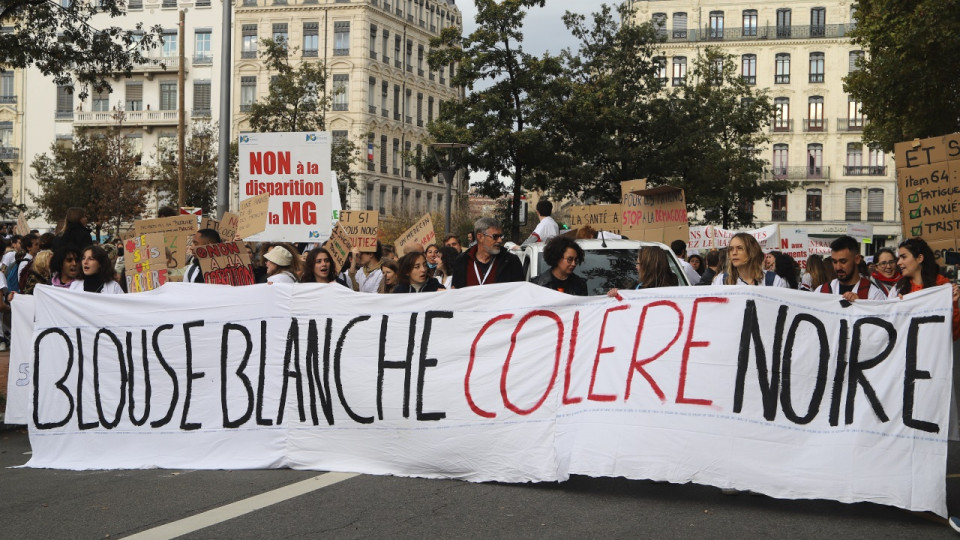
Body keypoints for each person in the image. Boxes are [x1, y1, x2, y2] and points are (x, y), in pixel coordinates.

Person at [889, 239, 960, 337]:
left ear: (919, 258)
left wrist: (952, 305)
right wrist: (898, 309)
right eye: (899, 258)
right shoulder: (897, 289)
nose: (898, 262)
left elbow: (954, 334)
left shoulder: (943, 286)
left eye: (903, 257)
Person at [452, 217, 523, 288]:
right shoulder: (461, 261)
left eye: (501, 236)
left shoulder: (511, 261)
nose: (500, 240)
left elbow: (519, 292)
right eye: (495, 236)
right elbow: (456, 293)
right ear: (480, 237)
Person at [820, 235, 886, 301]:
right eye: (834, 262)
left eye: (843, 261)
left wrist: (861, 304)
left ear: (857, 259)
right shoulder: (822, 291)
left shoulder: (873, 294)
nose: (838, 267)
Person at [713, 233, 788, 287]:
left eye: (739, 248)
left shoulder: (774, 280)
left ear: (752, 252)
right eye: (731, 249)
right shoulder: (721, 281)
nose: (734, 253)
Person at [608, 247, 678, 297]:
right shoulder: (636, 287)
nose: (636, 267)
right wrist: (616, 295)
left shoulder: (677, 291)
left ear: (648, 267)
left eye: (638, 264)